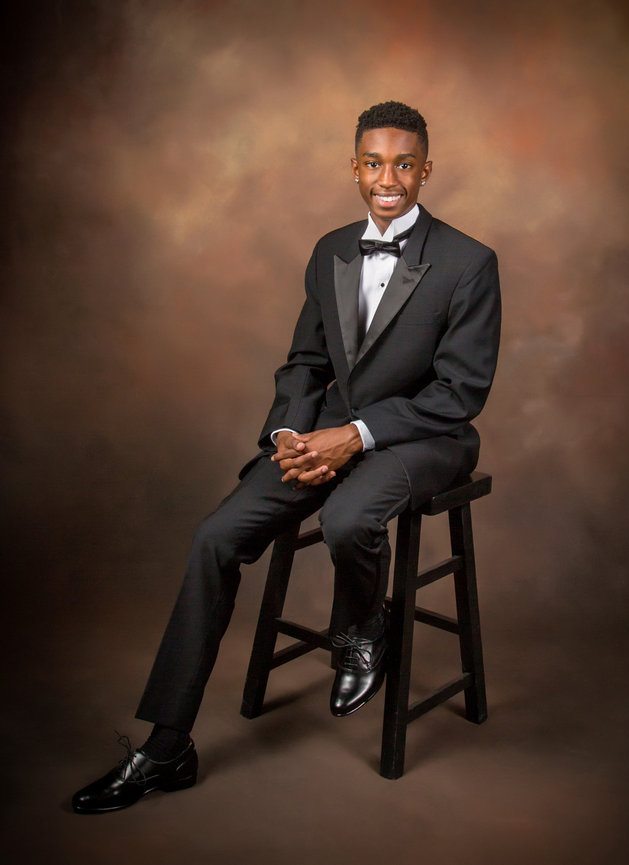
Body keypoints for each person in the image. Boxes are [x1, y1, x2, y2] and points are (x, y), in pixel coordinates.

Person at [72, 100, 501, 813]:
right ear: (353, 168)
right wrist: (288, 436)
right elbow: (305, 362)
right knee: (214, 537)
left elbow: (460, 391)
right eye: (373, 163)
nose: (387, 178)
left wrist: (355, 435)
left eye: (403, 164)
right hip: (322, 431)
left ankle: (364, 628)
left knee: (346, 519)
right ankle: (167, 746)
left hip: (429, 438)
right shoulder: (329, 249)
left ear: (426, 170)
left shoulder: (470, 261)